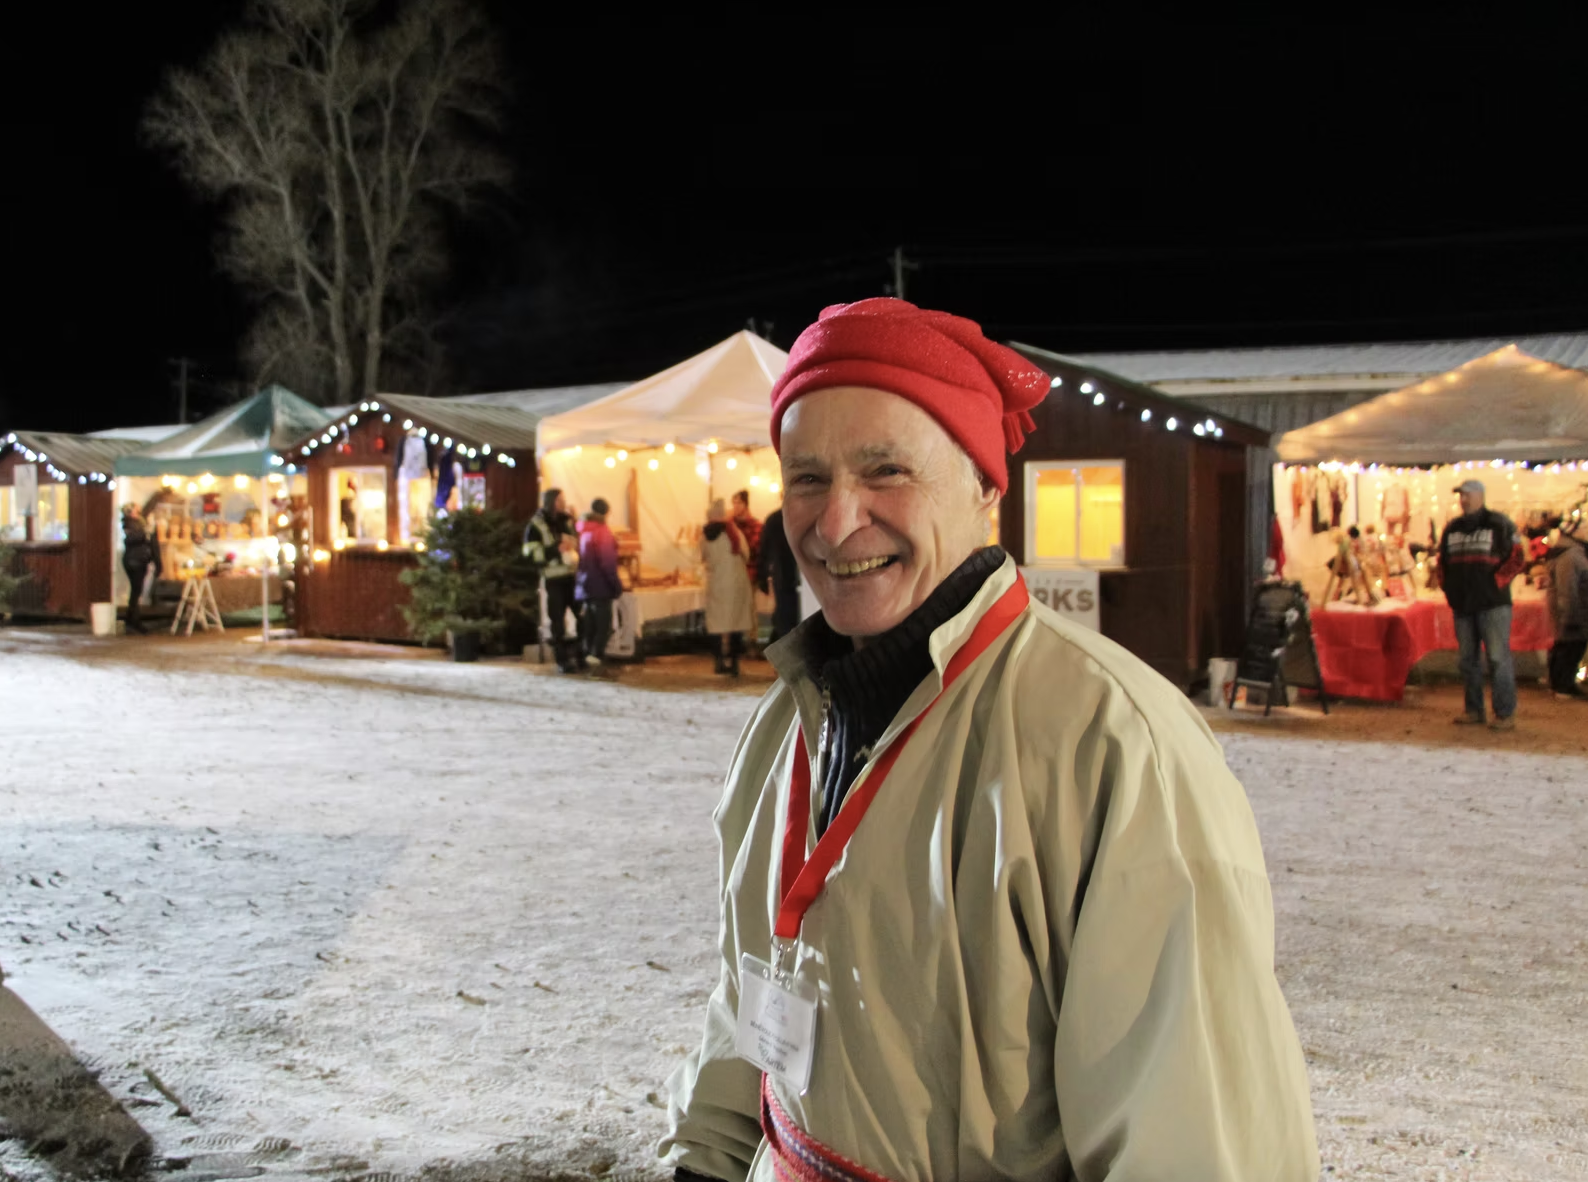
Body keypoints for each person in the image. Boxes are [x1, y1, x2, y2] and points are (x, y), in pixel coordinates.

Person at [659, 298, 1318, 1182]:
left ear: (985, 488)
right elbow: (755, 984)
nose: (836, 519)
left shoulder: (1113, 743)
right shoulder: (789, 718)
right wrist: (706, 1156)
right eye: (807, 477)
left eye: (886, 469)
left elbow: (1195, 1139)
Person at [1438, 478, 1526, 730]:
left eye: (1467, 495)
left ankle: (1504, 713)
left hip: (1493, 604)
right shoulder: (1452, 528)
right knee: (1467, 659)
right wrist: (1449, 589)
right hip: (1462, 605)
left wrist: (1495, 583)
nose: (1463, 500)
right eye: (1460, 496)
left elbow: (1518, 558)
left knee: (1498, 658)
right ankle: (1474, 709)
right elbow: (1441, 562)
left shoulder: (1500, 524)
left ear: (1480, 496)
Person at [524, 488, 581, 673]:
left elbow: (577, 541)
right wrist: (556, 550)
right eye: (559, 500)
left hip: (572, 576)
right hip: (553, 579)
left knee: (583, 617)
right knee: (557, 622)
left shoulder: (566, 520)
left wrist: (574, 544)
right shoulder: (536, 524)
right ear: (550, 502)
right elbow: (530, 552)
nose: (563, 503)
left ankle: (580, 655)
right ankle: (562, 661)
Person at [701, 499, 755, 676]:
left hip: (717, 582)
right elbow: (746, 553)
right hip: (737, 583)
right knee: (736, 623)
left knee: (716, 624)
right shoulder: (733, 532)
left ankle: (718, 662)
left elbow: (702, 557)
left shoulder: (704, 535)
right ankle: (734, 663)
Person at [1543, 516, 1588, 699]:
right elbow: (1567, 587)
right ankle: (1561, 685)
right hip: (1571, 610)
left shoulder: (1572, 553)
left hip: (1573, 609)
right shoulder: (1571, 556)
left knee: (1568, 646)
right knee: (1569, 646)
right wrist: (1570, 615)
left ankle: (1563, 683)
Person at [575, 497, 622, 670]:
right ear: (606, 513)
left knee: (590, 624)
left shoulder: (584, 531)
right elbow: (607, 562)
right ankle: (595, 657)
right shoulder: (603, 532)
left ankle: (587, 654)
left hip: (585, 586)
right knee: (603, 626)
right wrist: (616, 585)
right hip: (601, 586)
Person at [757, 506, 800, 642]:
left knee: (785, 620)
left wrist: (762, 577)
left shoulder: (774, 519)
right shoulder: (805, 514)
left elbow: (763, 551)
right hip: (801, 576)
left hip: (782, 575)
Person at [120, 504, 161, 634]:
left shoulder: (137, 523)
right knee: (136, 591)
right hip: (135, 561)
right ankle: (133, 621)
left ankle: (131, 619)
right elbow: (133, 539)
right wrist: (146, 535)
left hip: (138, 560)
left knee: (136, 591)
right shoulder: (131, 524)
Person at [730, 489, 763, 586]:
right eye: (734, 503)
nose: (735, 506)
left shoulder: (756, 526)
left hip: (750, 576)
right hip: (732, 575)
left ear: (746, 504)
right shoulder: (729, 525)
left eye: (739, 503)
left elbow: (755, 551)